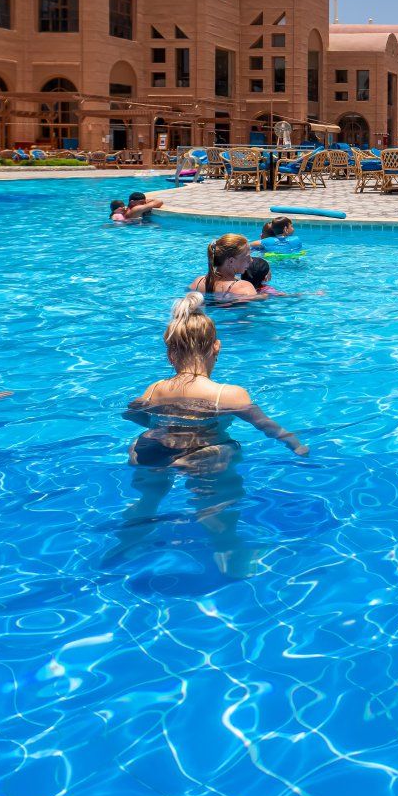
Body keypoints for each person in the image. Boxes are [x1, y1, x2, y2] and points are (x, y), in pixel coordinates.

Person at [115, 293, 308, 576]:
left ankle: (126, 544)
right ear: (216, 347)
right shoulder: (228, 395)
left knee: (148, 498)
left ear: (170, 354)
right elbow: (266, 426)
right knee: (220, 483)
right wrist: (295, 445)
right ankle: (227, 549)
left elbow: (133, 414)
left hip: (151, 451)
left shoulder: (155, 388)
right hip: (202, 456)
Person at [191, 233, 259, 303]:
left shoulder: (198, 282)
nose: (251, 260)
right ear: (231, 261)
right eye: (247, 257)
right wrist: (265, 294)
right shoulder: (244, 287)